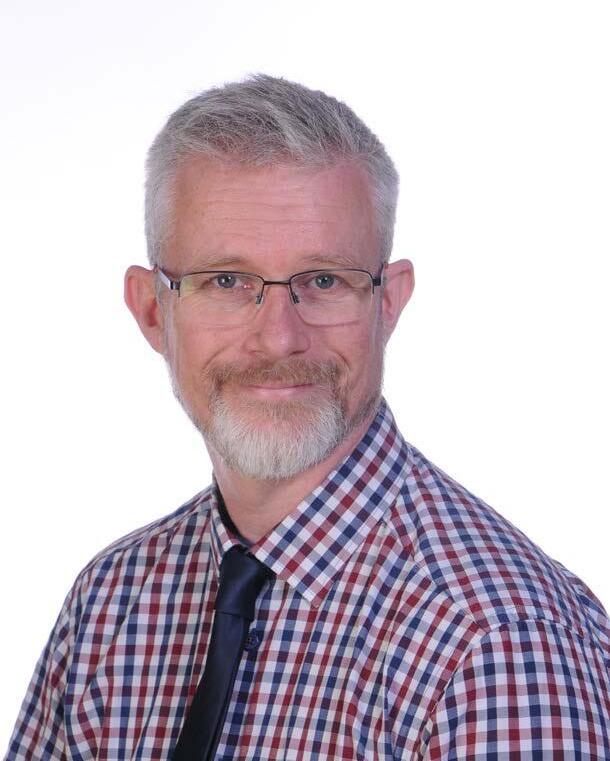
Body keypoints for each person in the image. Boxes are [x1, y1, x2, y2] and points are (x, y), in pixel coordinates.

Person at [6, 75, 610, 760]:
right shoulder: (110, 603)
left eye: (324, 281)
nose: (278, 338)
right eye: (226, 281)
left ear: (388, 303)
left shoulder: (496, 644)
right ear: (152, 310)